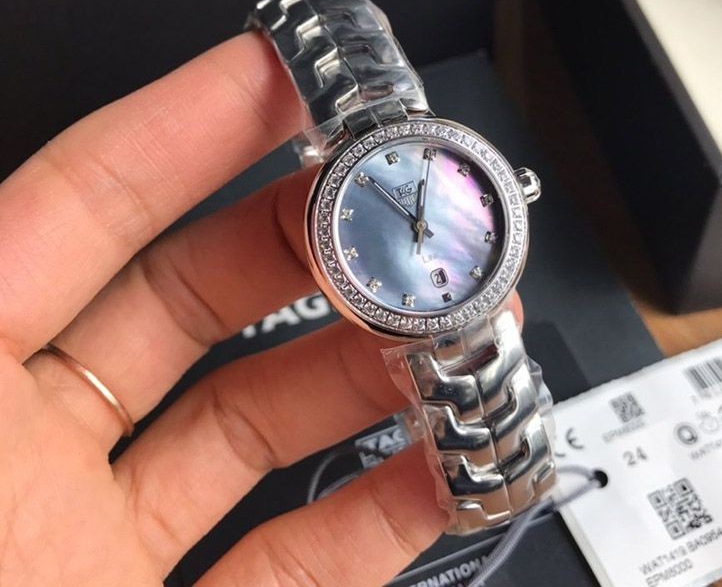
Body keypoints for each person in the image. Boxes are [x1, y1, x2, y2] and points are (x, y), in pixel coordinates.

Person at [0, 33, 531, 585]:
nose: (422, 227)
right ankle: (508, 479)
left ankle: (512, 476)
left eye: (422, 223)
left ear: (513, 192)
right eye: (420, 225)